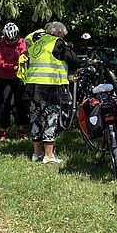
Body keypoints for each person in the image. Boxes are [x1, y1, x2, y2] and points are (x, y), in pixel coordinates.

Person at [26, 21, 77, 164]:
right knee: (51, 118)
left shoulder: (38, 42)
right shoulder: (58, 43)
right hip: (50, 86)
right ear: (59, 32)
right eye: (63, 34)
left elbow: (28, 44)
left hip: (32, 85)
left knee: (36, 118)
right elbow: (73, 60)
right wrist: (68, 47)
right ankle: (48, 155)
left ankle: (36, 153)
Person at [0, 22, 29, 141]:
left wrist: (22, 63)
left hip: (18, 77)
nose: (12, 42)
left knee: (20, 104)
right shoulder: (1, 44)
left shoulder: (22, 43)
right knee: (4, 103)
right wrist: (12, 67)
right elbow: (0, 61)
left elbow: (24, 54)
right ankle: (3, 130)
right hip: (4, 77)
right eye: (10, 40)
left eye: (14, 39)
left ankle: (21, 129)